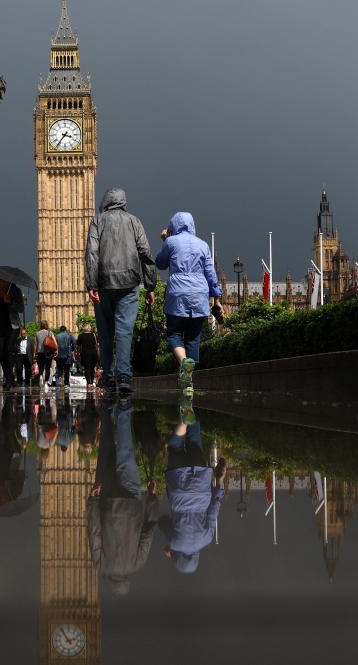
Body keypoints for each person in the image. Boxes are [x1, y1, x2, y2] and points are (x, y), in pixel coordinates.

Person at [85, 188, 157, 394]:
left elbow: (91, 253)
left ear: (106, 202)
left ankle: (107, 377)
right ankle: (124, 376)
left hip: (103, 283)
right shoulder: (134, 221)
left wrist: (91, 284)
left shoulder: (98, 220)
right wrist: (150, 286)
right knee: (125, 331)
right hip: (129, 283)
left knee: (106, 333)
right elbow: (145, 252)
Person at [86, 397, 158, 596]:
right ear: (111, 582)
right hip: (106, 502)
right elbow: (94, 531)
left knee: (126, 452)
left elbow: (148, 533)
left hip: (132, 503)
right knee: (106, 450)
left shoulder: (137, 564)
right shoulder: (101, 565)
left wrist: (152, 499)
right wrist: (92, 501)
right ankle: (108, 409)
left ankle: (124, 409)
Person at [154, 212, 222, 394]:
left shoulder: (171, 242)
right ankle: (189, 382)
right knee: (193, 338)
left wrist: (165, 239)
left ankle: (184, 363)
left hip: (177, 294)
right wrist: (217, 299)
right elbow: (211, 275)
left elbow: (160, 263)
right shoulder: (203, 245)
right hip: (200, 295)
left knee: (174, 334)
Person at [159, 414, 227, 574]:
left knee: (195, 443)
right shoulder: (175, 543)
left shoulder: (207, 539)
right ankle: (184, 418)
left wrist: (220, 481)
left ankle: (192, 410)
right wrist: (170, 548)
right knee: (175, 448)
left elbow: (214, 508)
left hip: (201, 484)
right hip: (178, 485)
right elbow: (162, 522)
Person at [0, 278, 25, 390]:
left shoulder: (15, 291)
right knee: (1, 353)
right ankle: (9, 376)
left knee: (9, 350)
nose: (3, 282)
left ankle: (8, 380)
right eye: (1, 280)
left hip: (12, 327)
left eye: (5, 280)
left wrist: (10, 301)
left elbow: (21, 308)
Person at [34, 320, 56, 390]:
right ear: (47, 325)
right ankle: (46, 382)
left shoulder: (37, 333)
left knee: (41, 367)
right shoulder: (50, 333)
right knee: (47, 368)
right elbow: (55, 343)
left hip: (40, 353)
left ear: (40, 325)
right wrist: (55, 351)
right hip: (48, 353)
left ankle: (40, 376)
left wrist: (35, 353)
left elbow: (35, 344)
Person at [76, 324, 99, 388]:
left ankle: (88, 383)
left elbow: (78, 346)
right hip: (93, 353)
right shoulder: (93, 335)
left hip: (85, 354)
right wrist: (98, 354)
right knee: (92, 368)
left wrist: (78, 353)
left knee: (87, 368)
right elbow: (96, 345)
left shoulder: (81, 336)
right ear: (89, 329)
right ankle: (91, 381)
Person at [54, 324, 76, 389]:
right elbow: (74, 344)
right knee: (67, 371)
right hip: (68, 355)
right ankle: (66, 384)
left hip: (59, 356)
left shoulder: (56, 336)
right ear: (65, 330)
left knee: (59, 369)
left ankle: (57, 383)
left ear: (60, 330)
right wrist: (71, 349)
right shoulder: (69, 335)